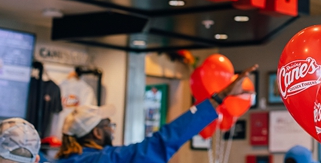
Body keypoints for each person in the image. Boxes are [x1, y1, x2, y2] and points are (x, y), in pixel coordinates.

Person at [55, 64, 258, 163]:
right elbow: (162, 142)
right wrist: (220, 97)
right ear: (97, 133)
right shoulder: (102, 160)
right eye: (109, 125)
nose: (112, 130)